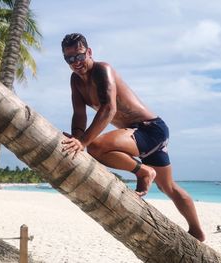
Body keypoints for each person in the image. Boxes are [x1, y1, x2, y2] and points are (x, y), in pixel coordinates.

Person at [61, 33, 205, 242]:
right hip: (136, 136)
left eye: (79, 56)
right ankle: (197, 232)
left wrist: (83, 142)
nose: (76, 63)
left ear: (89, 52)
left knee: (96, 147)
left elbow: (109, 108)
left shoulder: (102, 70)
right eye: (69, 59)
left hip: (150, 129)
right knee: (168, 188)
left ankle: (143, 172)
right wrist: (76, 137)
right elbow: (79, 114)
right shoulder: (76, 81)